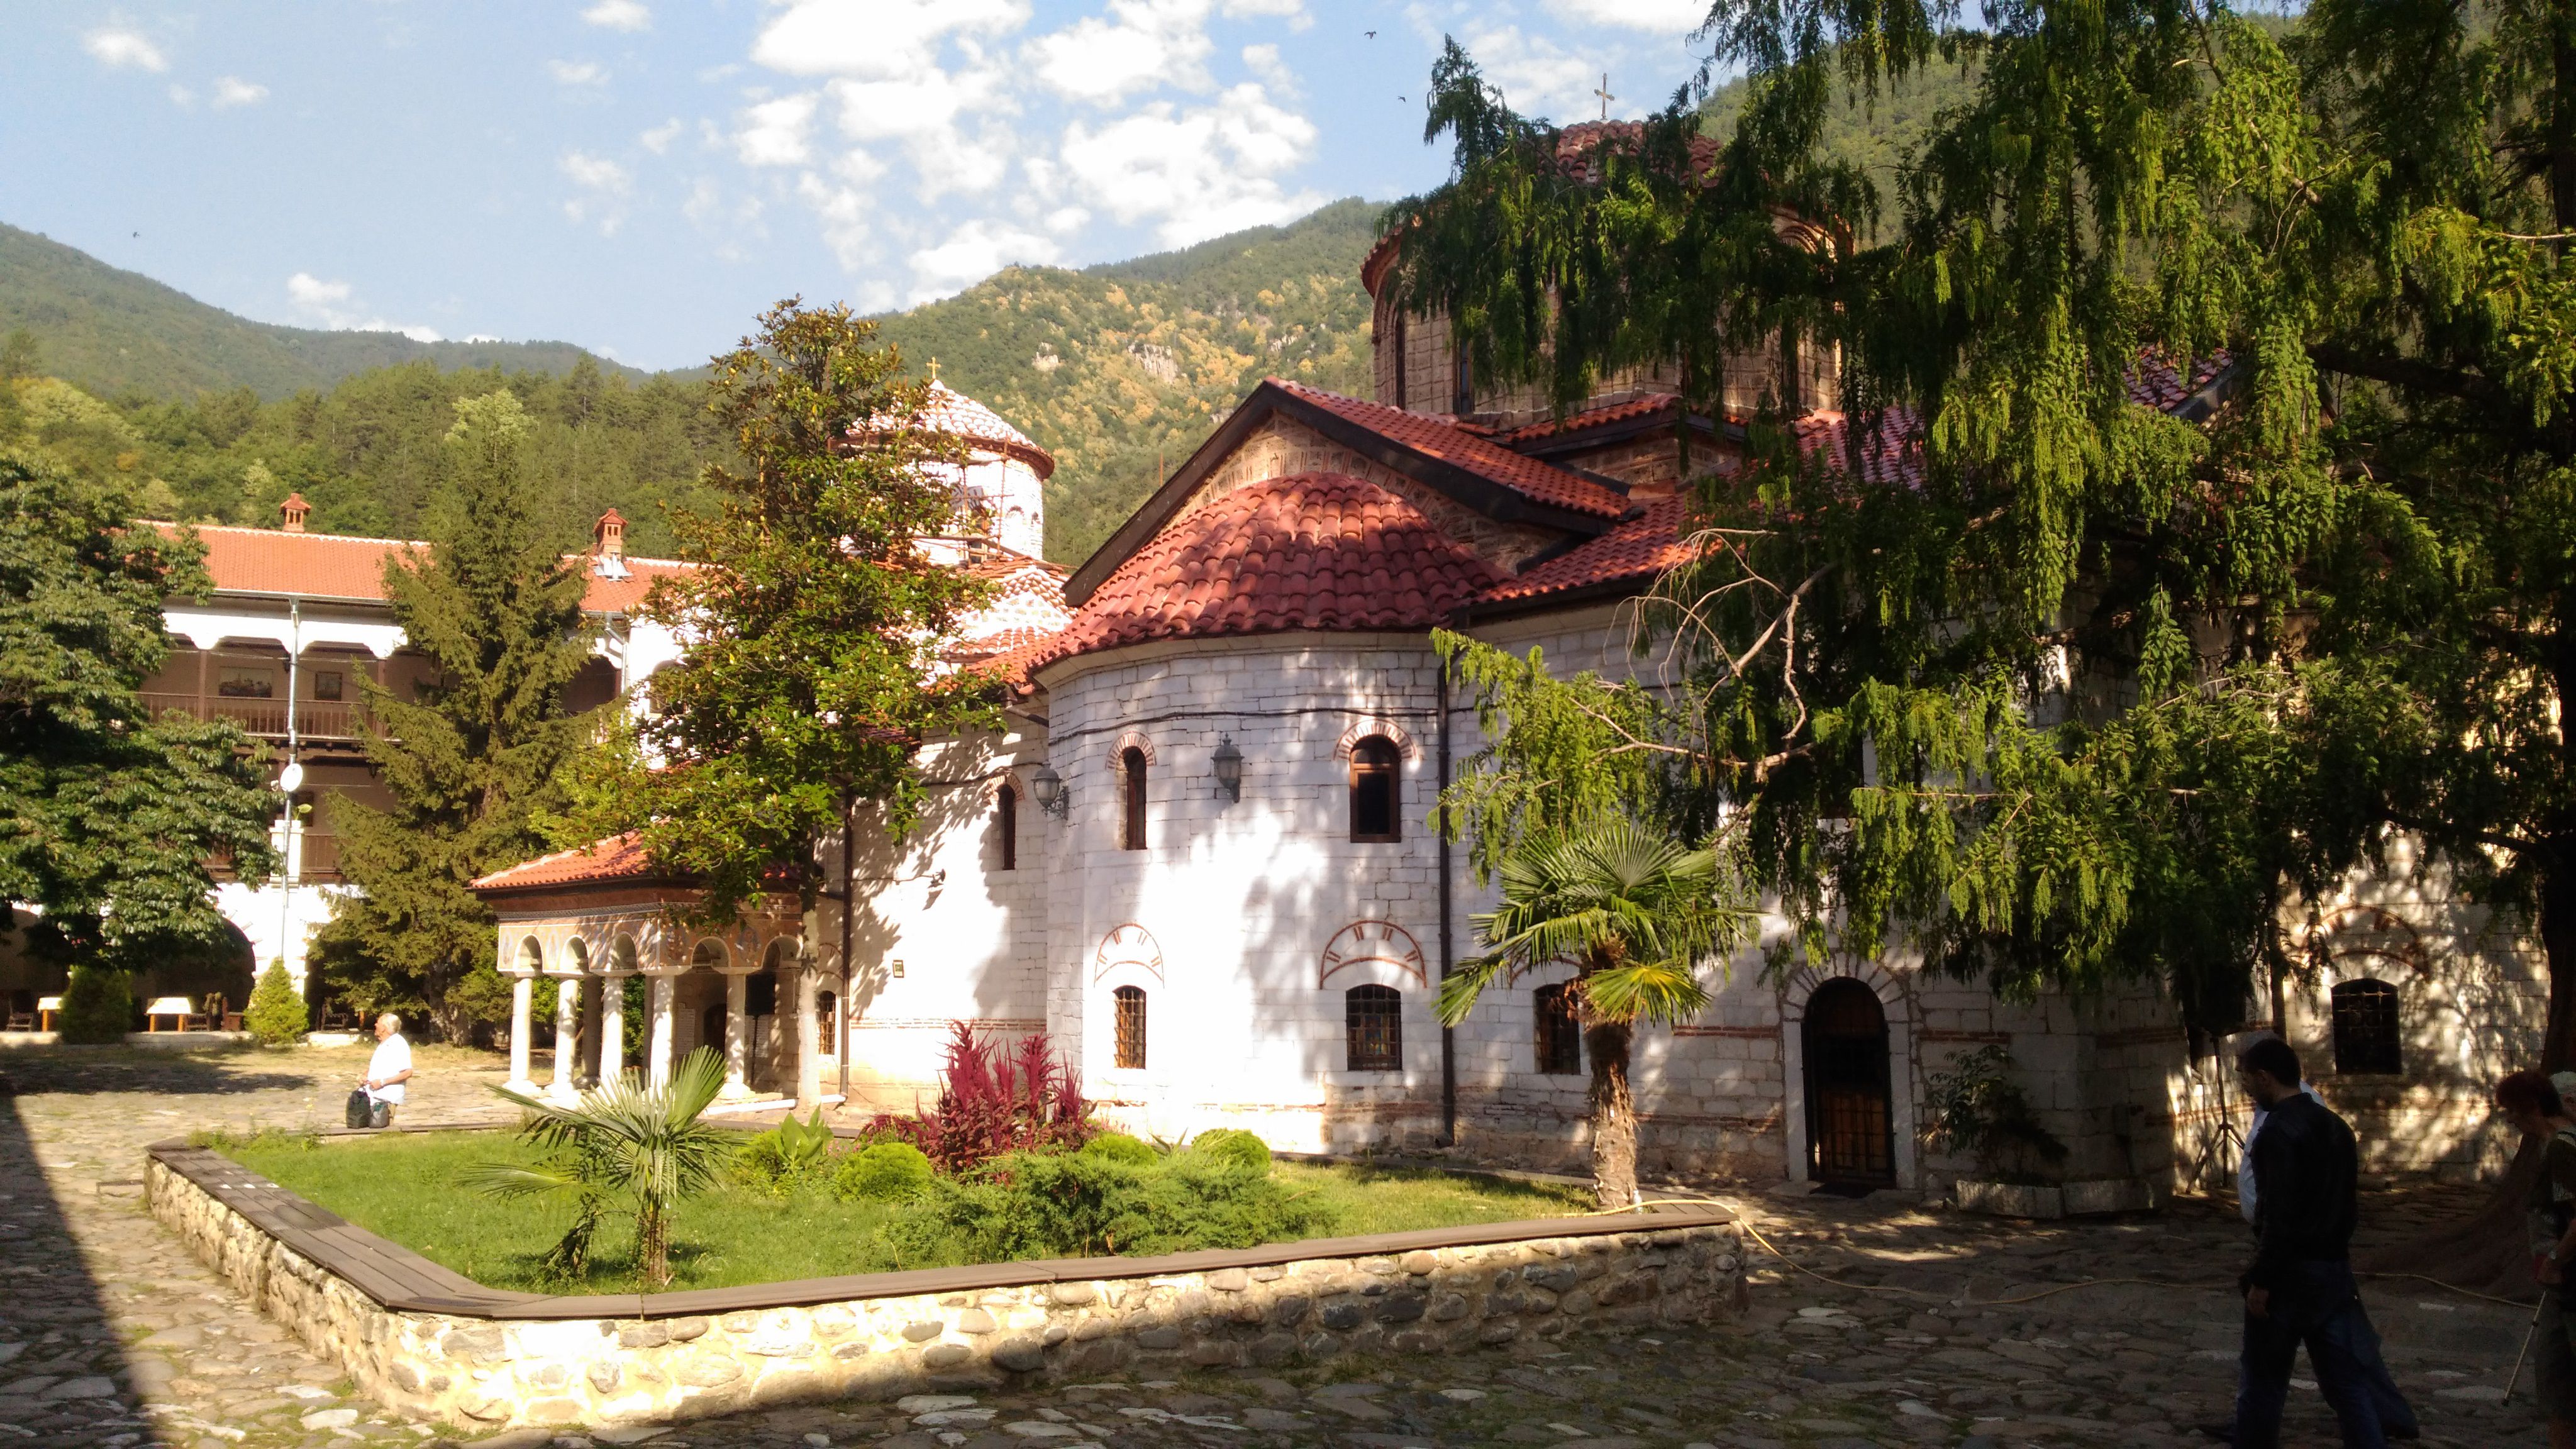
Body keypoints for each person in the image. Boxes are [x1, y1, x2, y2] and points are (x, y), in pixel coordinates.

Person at [2216, 1046, 2419, 1443]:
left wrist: (2263, 1279)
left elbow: (2278, 1214)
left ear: (2265, 1078)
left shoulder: (2277, 1132)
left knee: (2265, 1379)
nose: (2244, 1087)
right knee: (2347, 1381)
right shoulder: (2336, 1126)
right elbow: (2347, 1204)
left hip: (2291, 1274)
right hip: (2332, 1268)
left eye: (2246, 1078)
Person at [2498, 1068, 2576, 1448]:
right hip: (2562, 1287)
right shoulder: (2554, 1145)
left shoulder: (2564, 1146)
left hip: (2572, 1281)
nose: (2510, 1119)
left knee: (2562, 1376)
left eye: (2512, 1110)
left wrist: (2556, 1260)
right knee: (2556, 1381)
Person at [362, 1012, 412, 1129]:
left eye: (378, 1023)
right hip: (375, 1096)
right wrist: (365, 1075)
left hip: (387, 1099)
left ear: (384, 1028)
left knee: (384, 1129)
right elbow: (379, 1066)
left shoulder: (398, 1044)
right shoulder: (384, 1044)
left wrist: (382, 1082)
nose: (375, 1025)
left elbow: (408, 1072)